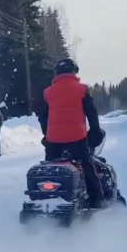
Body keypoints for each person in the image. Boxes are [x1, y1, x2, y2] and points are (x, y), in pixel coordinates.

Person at [38, 58, 105, 208]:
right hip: (77, 139)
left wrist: (47, 135)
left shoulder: (48, 92)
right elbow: (91, 113)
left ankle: (46, 197)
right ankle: (97, 200)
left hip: (54, 141)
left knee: (51, 168)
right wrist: (95, 130)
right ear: (74, 72)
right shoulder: (81, 89)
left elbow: (42, 117)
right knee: (86, 166)